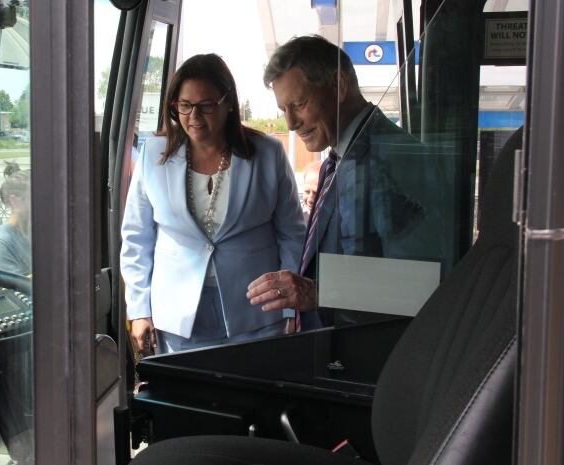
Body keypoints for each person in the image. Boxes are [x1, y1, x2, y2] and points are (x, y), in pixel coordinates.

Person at [247, 35, 446, 328]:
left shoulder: (394, 159)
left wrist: (317, 293)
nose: (290, 123)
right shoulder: (343, 155)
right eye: (283, 110)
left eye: (299, 104)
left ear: (339, 86)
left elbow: (421, 284)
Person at [120, 53, 305, 354]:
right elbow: (136, 238)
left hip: (256, 312)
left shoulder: (268, 154)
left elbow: (292, 234)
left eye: (206, 106)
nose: (194, 116)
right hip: (178, 317)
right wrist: (139, 310)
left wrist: (289, 307)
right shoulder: (153, 157)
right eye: (184, 106)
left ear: (228, 104)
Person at [0, 162, 32, 276]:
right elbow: (10, 290)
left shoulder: (32, 232)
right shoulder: (0, 243)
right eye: (35, 198)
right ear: (14, 201)